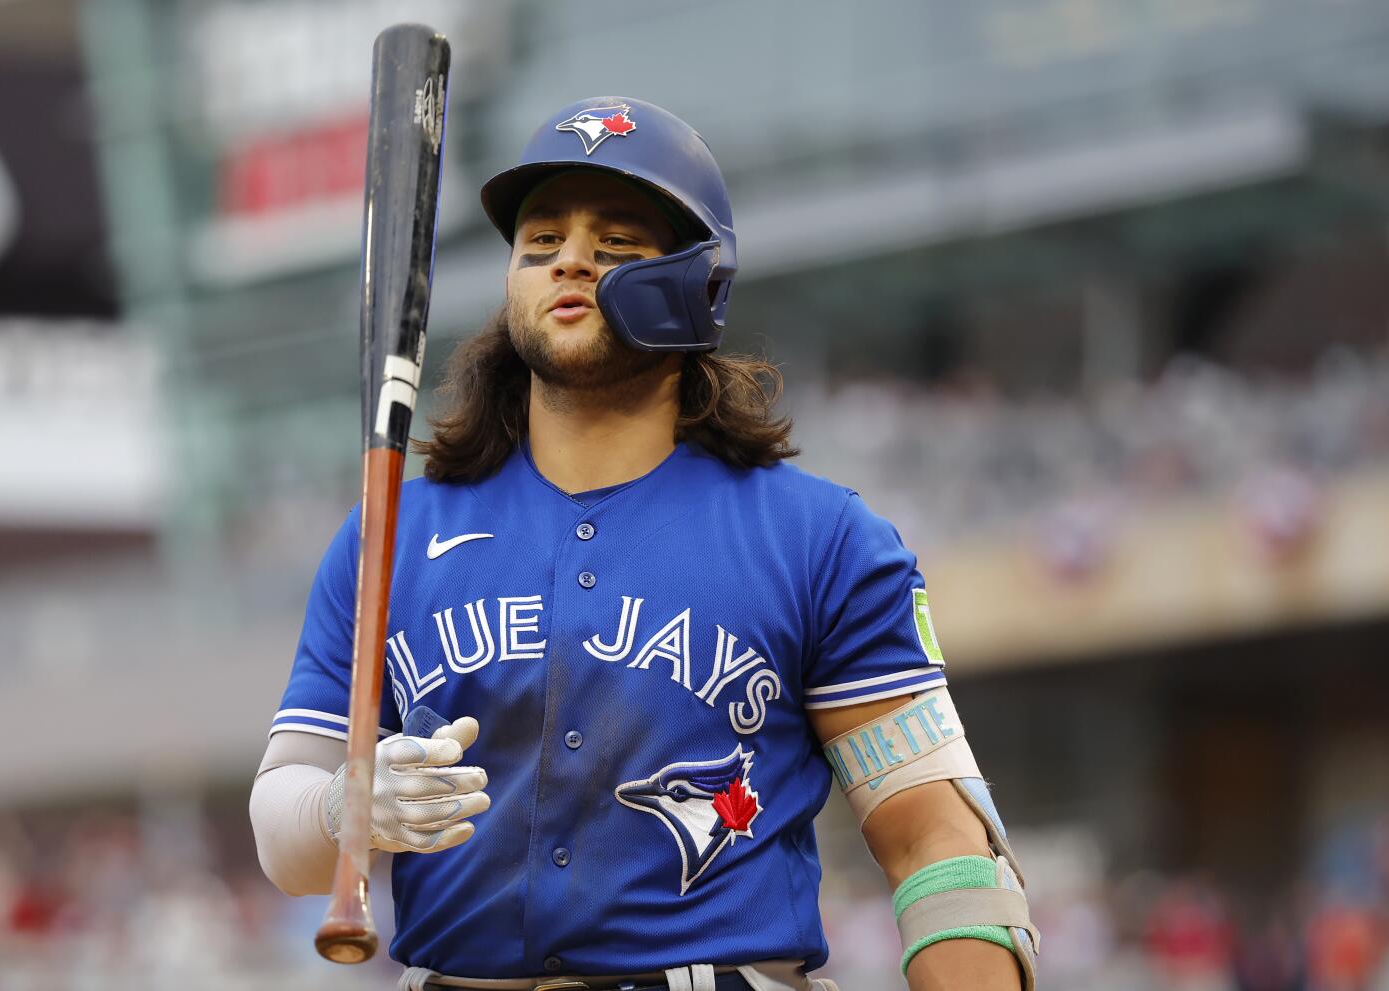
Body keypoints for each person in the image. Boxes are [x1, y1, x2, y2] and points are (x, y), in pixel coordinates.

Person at [249, 97, 1038, 991]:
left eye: (618, 242)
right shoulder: (393, 533)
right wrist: (343, 807)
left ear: (702, 283)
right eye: (540, 241)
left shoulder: (820, 539)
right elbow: (286, 844)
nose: (571, 259)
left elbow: (938, 842)